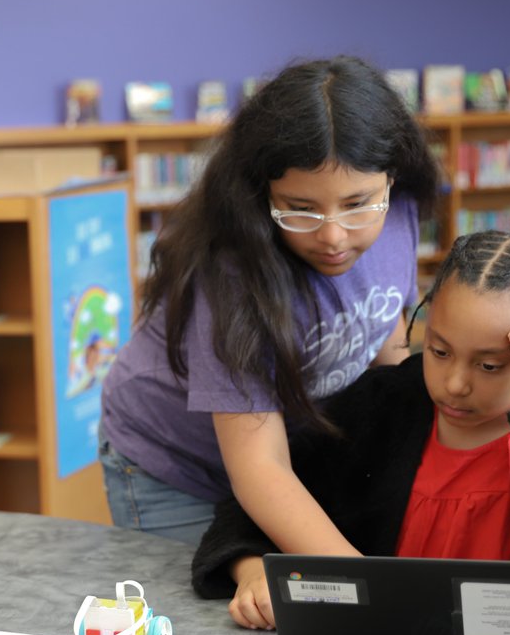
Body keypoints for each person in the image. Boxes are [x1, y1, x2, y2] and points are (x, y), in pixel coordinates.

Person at [191, 230, 510, 634]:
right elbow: (259, 503)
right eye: (439, 351)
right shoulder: (384, 403)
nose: (454, 384)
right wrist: (252, 567)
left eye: (489, 365)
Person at [99, 56, 440, 545]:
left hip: (292, 455)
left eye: (357, 204)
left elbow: (383, 333)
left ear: (391, 178)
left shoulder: (398, 207)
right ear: (262, 196)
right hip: (179, 468)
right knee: (209, 612)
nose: (335, 237)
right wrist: (366, 594)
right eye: (301, 210)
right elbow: (260, 468)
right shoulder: (232, 271)